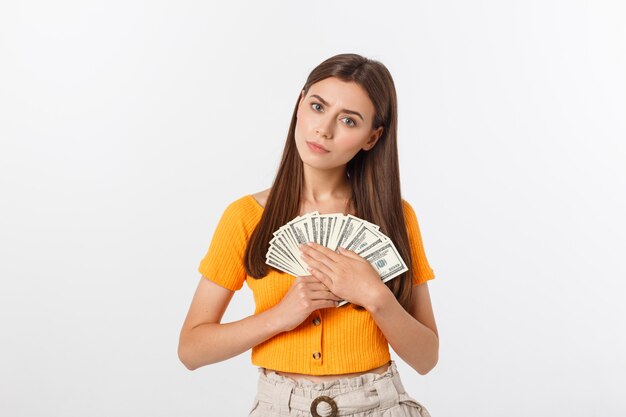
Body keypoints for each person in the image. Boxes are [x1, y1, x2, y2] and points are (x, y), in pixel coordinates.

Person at [178, 53, 439, 417]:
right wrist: (281, 316)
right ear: (300, 104)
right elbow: (191, 349)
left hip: (380, 405)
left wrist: (375, 296)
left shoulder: (396, 217)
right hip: (279, 406)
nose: (324, 129)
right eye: (318, 106)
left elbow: (427, 357)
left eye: (349, 120)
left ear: (371, 137)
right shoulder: (245, 217)